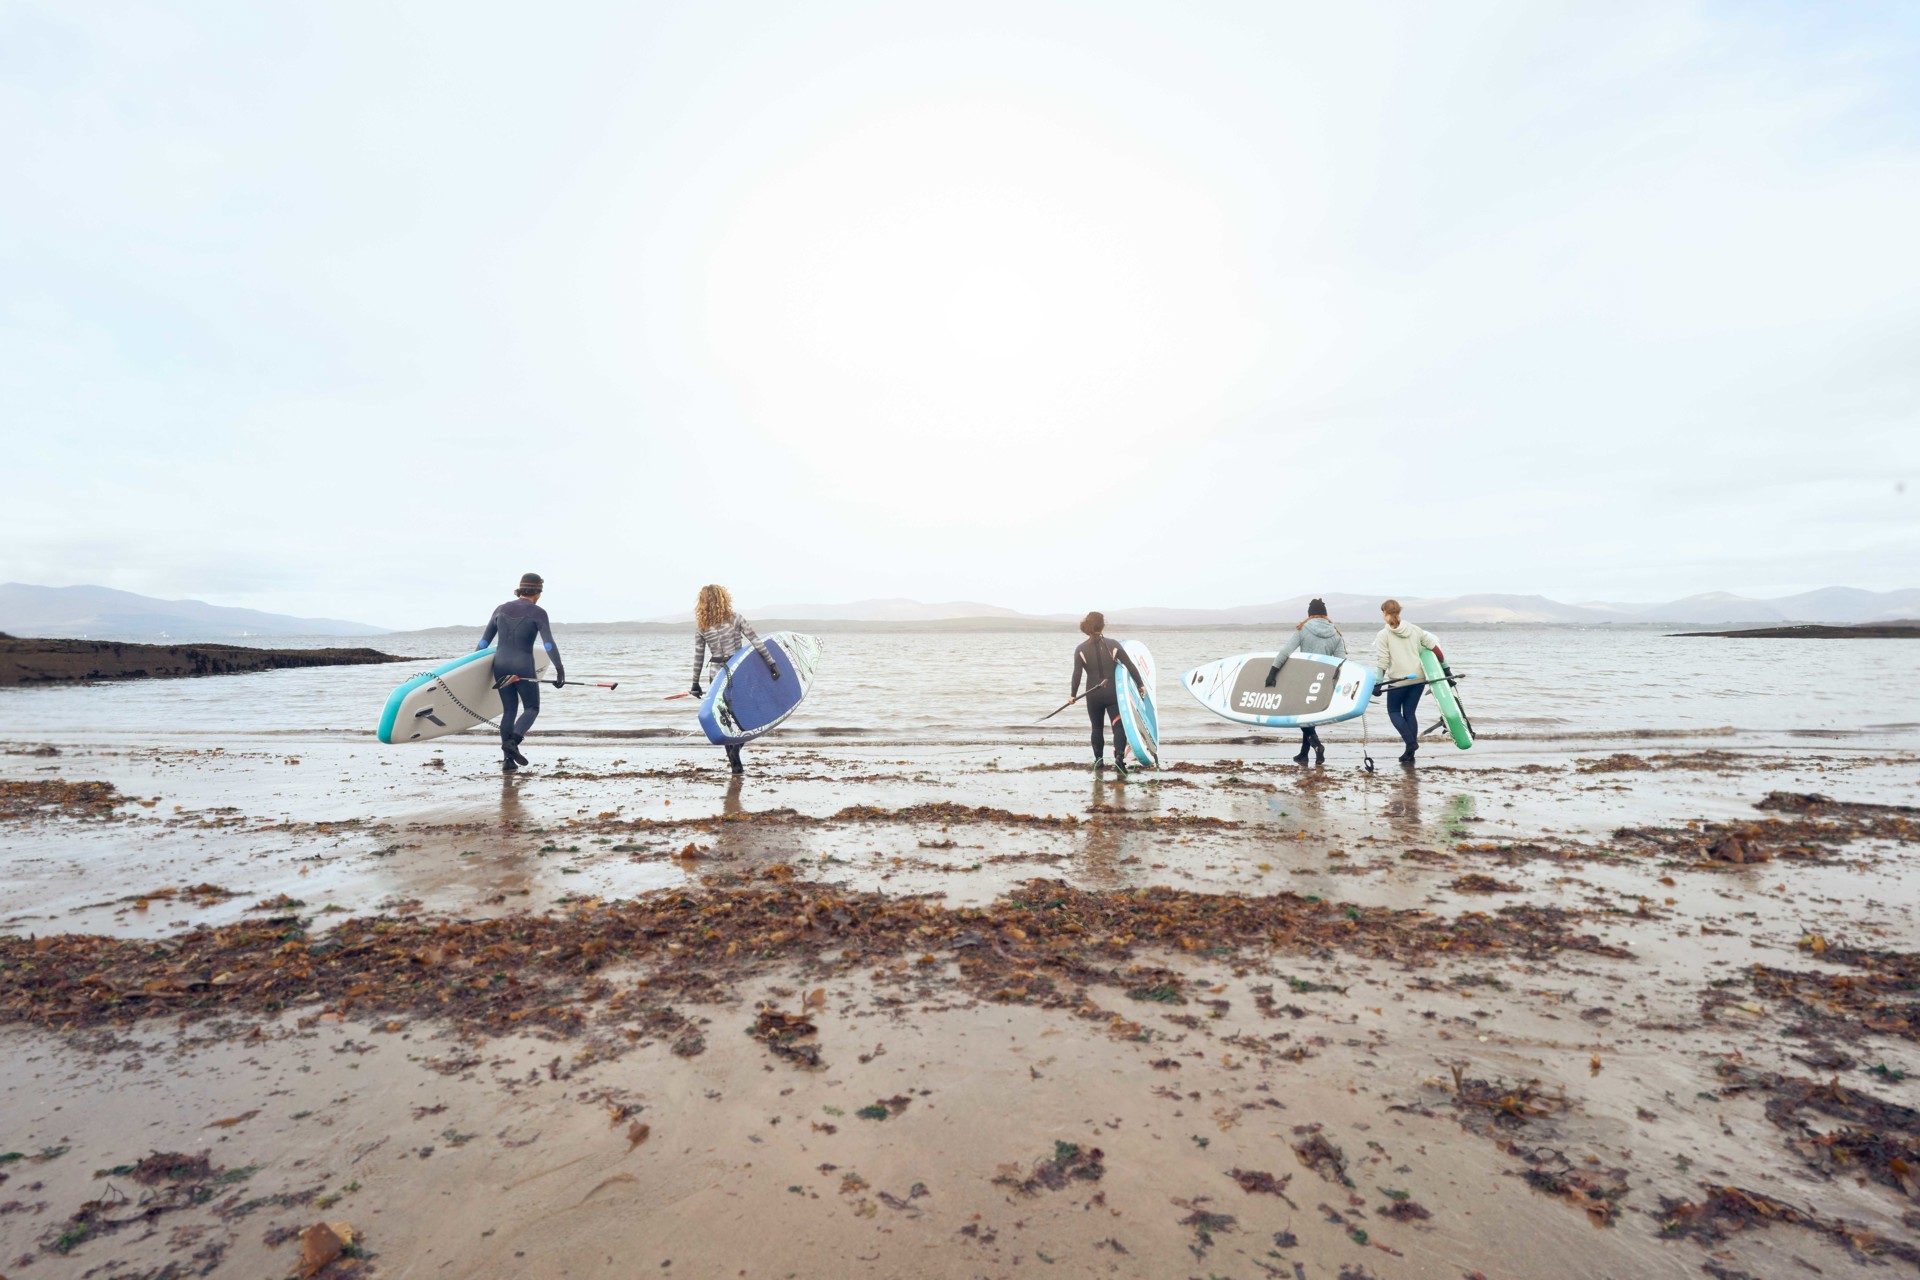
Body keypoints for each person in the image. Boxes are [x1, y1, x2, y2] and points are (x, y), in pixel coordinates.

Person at [479, 573, 565, 773]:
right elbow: (548, 643)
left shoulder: (500, 609)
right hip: (524, 665)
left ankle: (508, 762)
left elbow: (484, 642)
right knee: (531, 708)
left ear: (520, 589)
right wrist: (559, 669)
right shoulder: (538, 612)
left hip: (499, 665)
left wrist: (470, 669)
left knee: (509, 711)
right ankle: (514, 741)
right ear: (538, 592)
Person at [690, 584, 779, 775]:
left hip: (716, 675)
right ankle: (737, 749)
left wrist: (695, 683)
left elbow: (699, 656)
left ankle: (733, 759)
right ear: (724, 598)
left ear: (702, 602)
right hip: (738, 670)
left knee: (725, 718)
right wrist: (772, 664)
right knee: (748, 712)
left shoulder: (702, 626)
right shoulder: (735, 618)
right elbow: (756, 642)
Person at [1264, 597, 1345, 765]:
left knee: (1301, 717)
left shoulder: (1303, 629)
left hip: (1304, 679)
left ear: (1309, 614)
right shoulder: (1336, 634)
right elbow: (1342, 661)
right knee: (1309, 718)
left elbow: (1285, 652)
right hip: (1324, 682)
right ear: (1325, 614)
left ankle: (1317, 745)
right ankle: (1303, 754)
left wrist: (1272, 673)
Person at [1070, 611, 1147, 773]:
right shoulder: (1113, 645)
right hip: (1112, 693)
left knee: (1096, 728)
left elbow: (1077, 674)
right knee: (1118, 727)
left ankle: (1098, 761)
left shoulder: (1080, 649)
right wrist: (1140, 684)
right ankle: (1119, 759)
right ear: (1102, 625)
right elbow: (1130, 666)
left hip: (1092, 694)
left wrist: (1073, 695)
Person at [1371, 598, 1440, 766]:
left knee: (1393, 711)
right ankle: (1410, 754)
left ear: (1385, 613)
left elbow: (1382, 661)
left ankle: (1410, 743)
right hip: (1418, 679)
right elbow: (1434, 648)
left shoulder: (1384, 634)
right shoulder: (1415, 630)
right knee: (1409, 713)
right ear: (1399, 611)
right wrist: (1445, 667)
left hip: (1398, 679)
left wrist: (1378, 682)